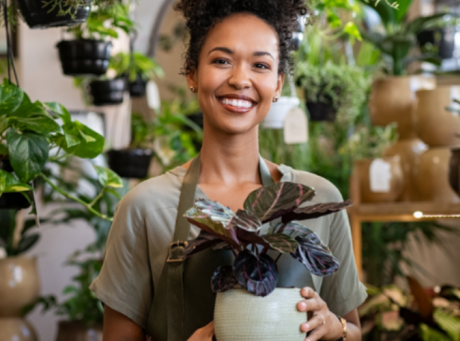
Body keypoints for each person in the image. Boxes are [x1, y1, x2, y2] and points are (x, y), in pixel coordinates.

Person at [89, 0, 367, 340]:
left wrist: (334, 326)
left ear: (278, 84)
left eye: (260, 65)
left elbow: (354, 331)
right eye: (221, 61)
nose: (240, 79)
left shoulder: (317, 199)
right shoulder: (145, 207)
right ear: (192, 73)